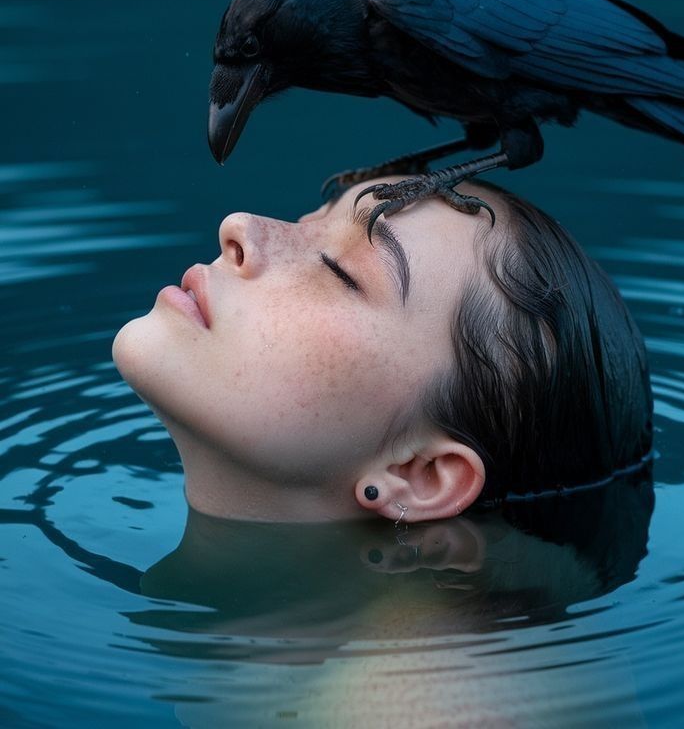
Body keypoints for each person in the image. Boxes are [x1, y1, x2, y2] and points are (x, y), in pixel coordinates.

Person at [112, 176, 653, 523]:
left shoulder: (423, 693)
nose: (241, 226)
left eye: (341, 273)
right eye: (311, 221)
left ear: (421, 474)